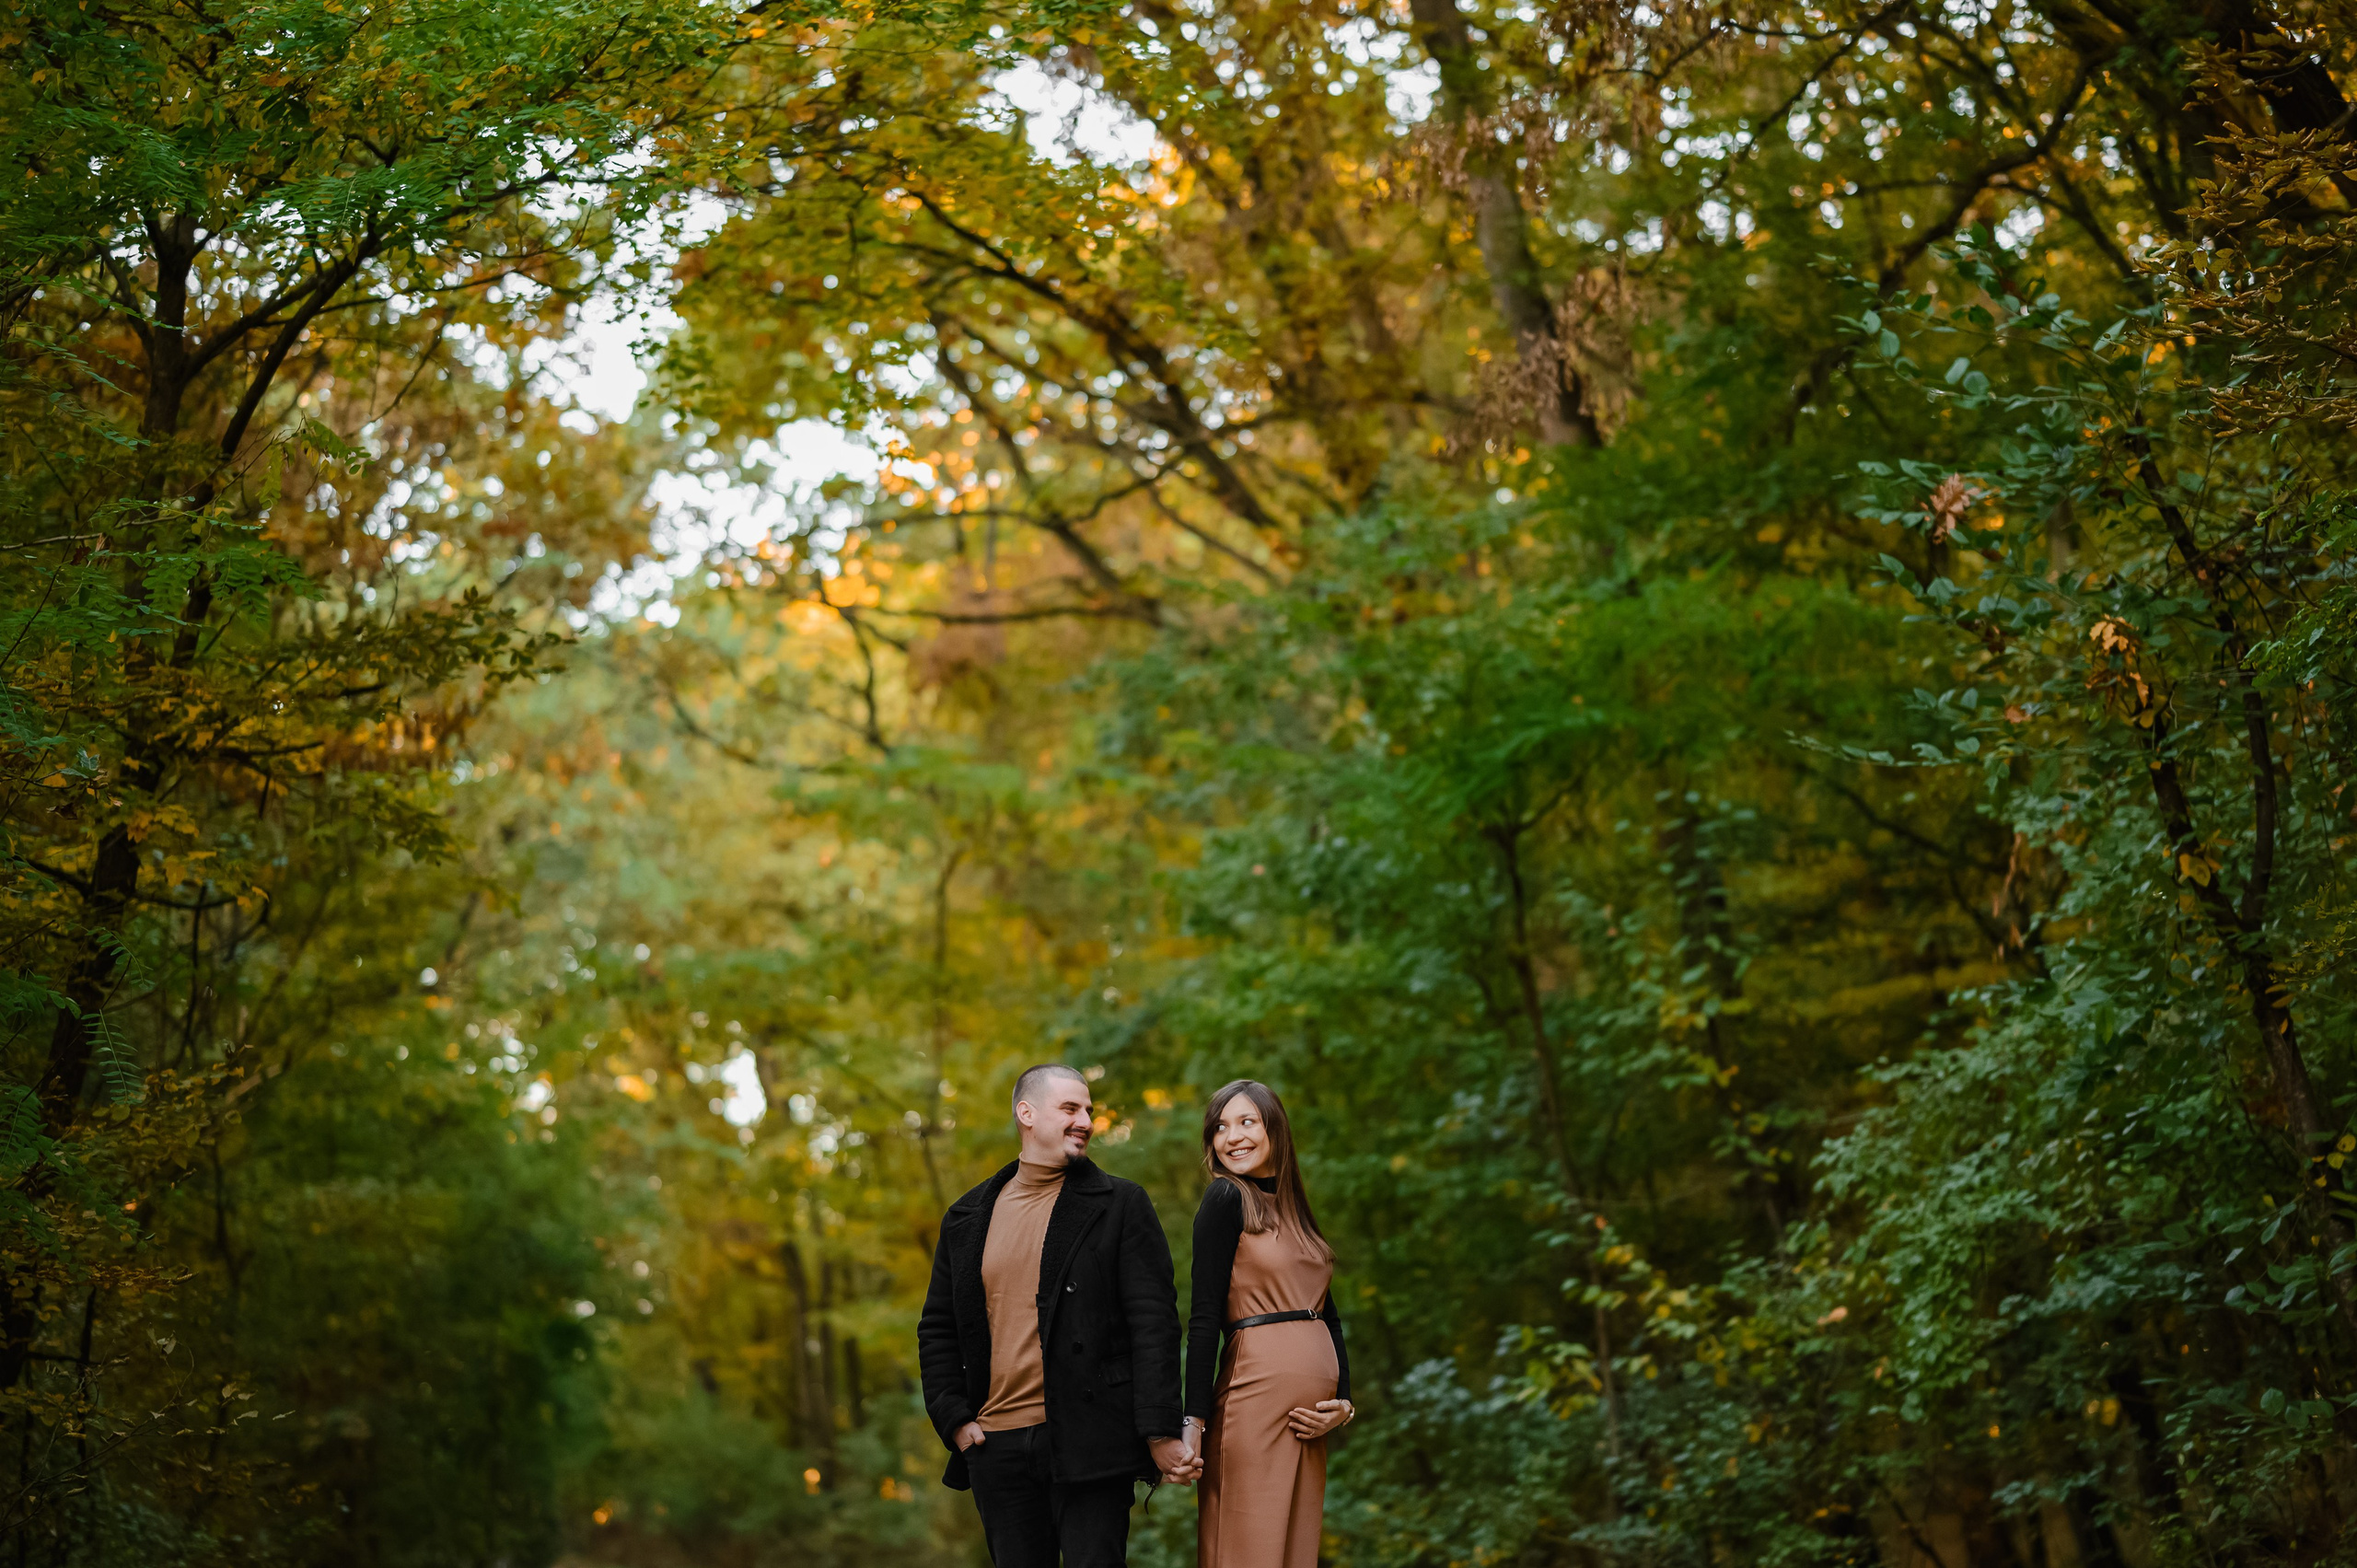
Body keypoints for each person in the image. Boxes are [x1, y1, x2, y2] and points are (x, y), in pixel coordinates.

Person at [918, 1063, 1198, 1567]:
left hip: (1092, 1437)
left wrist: (1158, 1429)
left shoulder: (1121, 1203)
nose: (1086, 1121)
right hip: (995, 1446)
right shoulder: (966, 1217)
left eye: (1088, 1110)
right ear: (1026, 1114)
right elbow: (937, 1327)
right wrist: (954, 1418)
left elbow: (1154, 1323)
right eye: (1070, 1108)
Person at [1180, 1079, 1352, 1568]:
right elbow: (1203, 1317)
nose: (1232, 1136)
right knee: (1247, 1551)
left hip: (1309, 1424)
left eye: (1246, 1122)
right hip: (1252, 1406)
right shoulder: (1225, 1200)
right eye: (1220, 1127)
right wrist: (1192, 1421)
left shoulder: (1296, 1211)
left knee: (1295, 1554)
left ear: (1275, 1129)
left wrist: (1344, 1404)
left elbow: (1328, 1317)